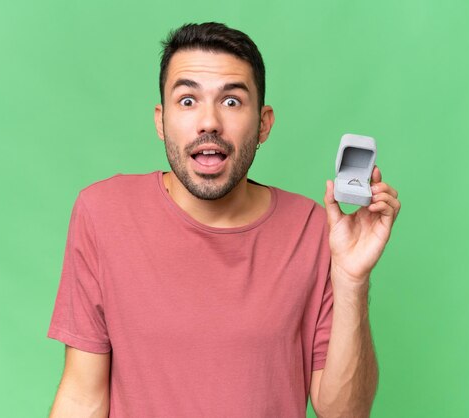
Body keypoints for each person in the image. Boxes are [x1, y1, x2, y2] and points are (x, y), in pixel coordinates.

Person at [47, 22, 401, 418]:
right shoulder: (103, 213)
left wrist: (352, 280)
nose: (209, 122)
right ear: (160, 121)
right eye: (187, 101)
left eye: (231, 102)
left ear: (264, 123)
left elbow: (345, 414)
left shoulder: (314, 230)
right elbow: (82, 397)